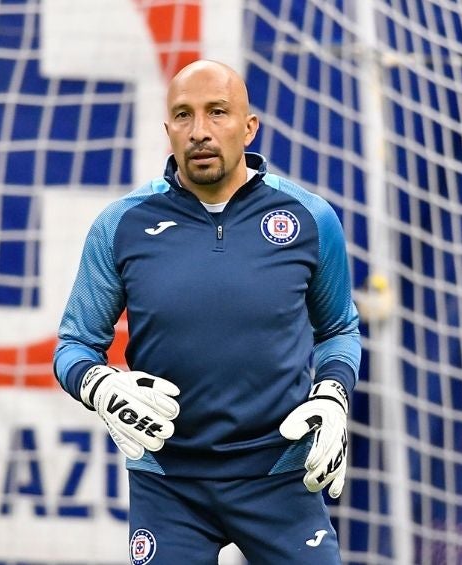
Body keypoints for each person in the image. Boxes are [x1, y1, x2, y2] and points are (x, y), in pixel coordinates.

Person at [53, 59, 361, 564]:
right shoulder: (121, 225)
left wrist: (332, 397)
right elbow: (75, 345)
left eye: (217, 112)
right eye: (183, 115)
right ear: (167, 128)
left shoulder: (310, 218)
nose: (200, 131)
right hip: (168, 484)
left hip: (281, 474)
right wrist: (100, 385)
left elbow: (340, 330)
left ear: (249, 126)